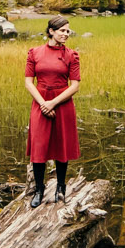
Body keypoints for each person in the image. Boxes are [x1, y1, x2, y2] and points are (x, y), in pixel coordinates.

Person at [24, 15, 81, 206]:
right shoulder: (35, 53)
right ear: (51, 31)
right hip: (40, 101)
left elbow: (74, 86)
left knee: (61, 146)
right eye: (62, 30)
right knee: (39, 146)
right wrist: (43, 104)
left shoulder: (71, 55)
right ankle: (39, 190)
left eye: (68, 31)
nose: (66, 34)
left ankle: (61, 188)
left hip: (62, 103)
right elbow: (28, 82)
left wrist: (53, 103)